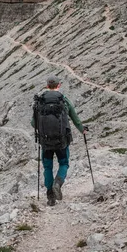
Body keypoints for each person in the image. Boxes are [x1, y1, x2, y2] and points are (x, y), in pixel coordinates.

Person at [32, 75, 87, 206]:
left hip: (45, 142)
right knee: (64, 163)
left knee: (47, 167)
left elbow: (33, 123)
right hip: (62, 141)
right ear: (59, 85)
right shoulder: (64, 100)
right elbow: (74, 117)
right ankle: (58, 182)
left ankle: (50, 196)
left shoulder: (40, 101)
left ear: (47, 85)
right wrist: (82, 129)